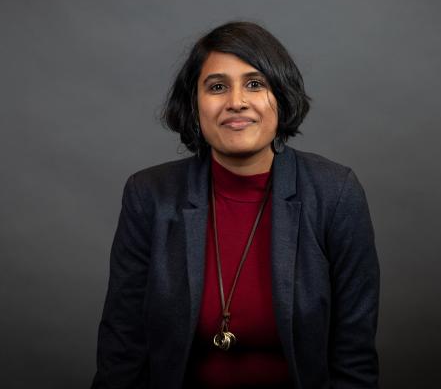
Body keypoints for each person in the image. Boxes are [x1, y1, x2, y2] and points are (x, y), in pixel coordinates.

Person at [91, 21, 380, 388]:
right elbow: (122, 349)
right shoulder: (149, 195)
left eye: (255, 84)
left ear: (282, 96)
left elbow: (354, 358)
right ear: (194, 105)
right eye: (216, 87)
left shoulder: (336, 193)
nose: (236, 101)